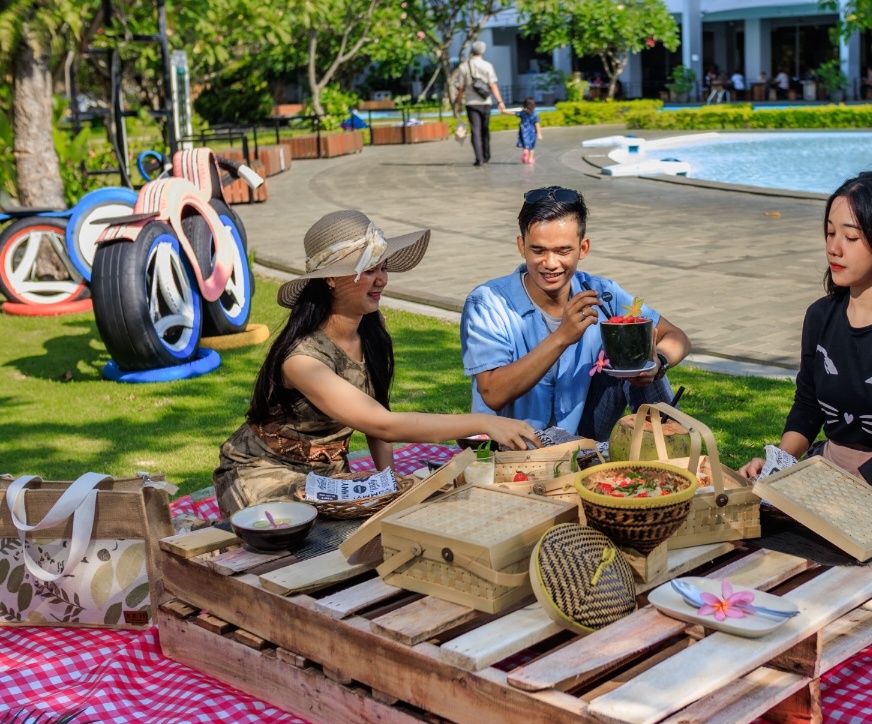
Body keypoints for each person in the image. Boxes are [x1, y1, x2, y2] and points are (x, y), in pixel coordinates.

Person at [213, 210, 538, 517]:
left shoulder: (371, 330)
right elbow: (383, 424)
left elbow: (377, 414)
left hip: (327, 476)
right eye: (369, 270)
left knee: (408, 502)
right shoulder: (302, 360)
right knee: (324, 526)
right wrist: (483, 422)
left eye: (383, 268)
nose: (382, 280)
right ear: (331, 279)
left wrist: (390, 485)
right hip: (262, 474)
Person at [739, 171, 872, 525]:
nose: (834, 248)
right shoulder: (820, 316)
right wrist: (778, 467)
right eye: (830, 232)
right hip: (831, 473)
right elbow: (808, 405)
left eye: (851, 237)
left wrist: (845, 498)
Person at [460, 186, 692, 441]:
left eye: (563, 251)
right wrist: (562, 337)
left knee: (640, 357)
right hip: (508, 444)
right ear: (521, 246)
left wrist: (658, 363)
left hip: (579, 439)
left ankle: (672, 456)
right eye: (538, 250)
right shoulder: (487, 302)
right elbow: (493, 394)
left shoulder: (602, 293)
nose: (550, 263)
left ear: (583, 248)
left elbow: (677, 337)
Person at [452, 41, 506, 167]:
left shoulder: (463, 67)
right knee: (485, 129)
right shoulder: (488, 66)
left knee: (475, 131)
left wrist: (459, 104)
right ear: (483, 51)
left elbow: (460, 88)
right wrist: (500, 101)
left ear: (472, 50)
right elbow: (493, 85)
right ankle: (486, 155)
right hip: (485, 102)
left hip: (471, 103)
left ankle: (479, 158)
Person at [502, 97, 542, 164]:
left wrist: (503, 111)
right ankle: (530, 159)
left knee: (525, 144)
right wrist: (539, 133)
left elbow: (513, 113)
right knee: (532, 147)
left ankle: (525, 151)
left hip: (523, 132)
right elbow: (537, 124)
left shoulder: (522, 113)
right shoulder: (535, 114)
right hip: (532, 132)